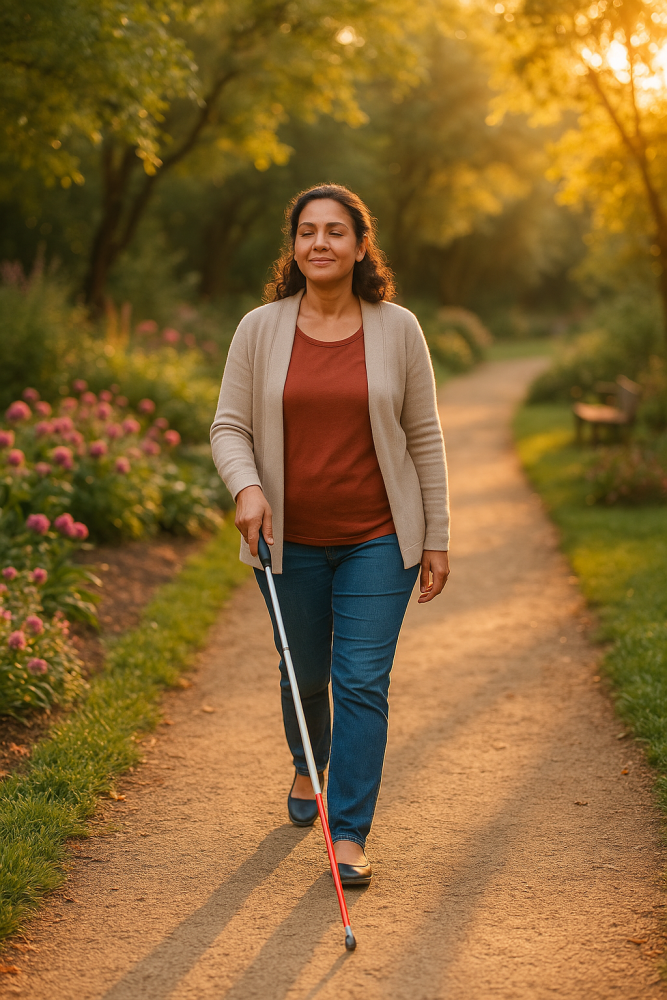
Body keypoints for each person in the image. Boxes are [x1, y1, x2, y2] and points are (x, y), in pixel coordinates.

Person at [210, 184, 449, 886]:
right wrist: (246, 486)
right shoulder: (259, 328)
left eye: (335, 231)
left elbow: (424, 437)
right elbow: (229, 425)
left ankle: (348, 832)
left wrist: (434, 535)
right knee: (305, 673)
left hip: (378, 537)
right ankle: (305, 759)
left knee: (361, 682)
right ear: (293, 246)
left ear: (359, 245)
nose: (320, 243)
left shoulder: (397, 328)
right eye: (307, 231)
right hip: (287, 541)